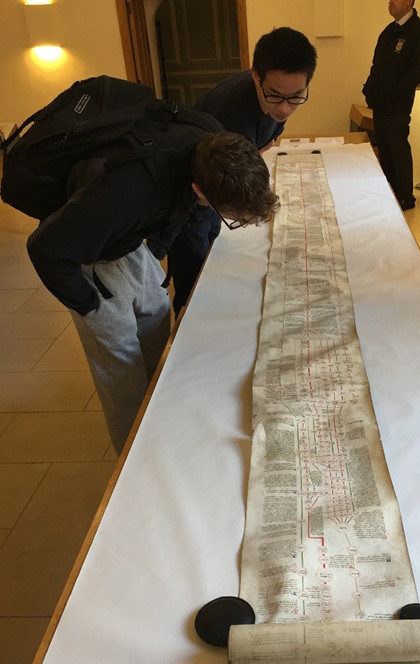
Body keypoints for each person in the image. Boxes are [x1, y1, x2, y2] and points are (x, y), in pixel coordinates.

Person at [27, 123, 279, 455]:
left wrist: (152, 252)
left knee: (158, 330)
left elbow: (177, 211)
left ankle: (159, 426)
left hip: (128, 244)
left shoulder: (211, 143)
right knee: (124, 378)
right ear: (200, 190)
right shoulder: (125, 196)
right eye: (232, 217)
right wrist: (90, 306)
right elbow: (45, 248)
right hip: (89, 261)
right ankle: (132, 460)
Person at [167, 27, 317, 316]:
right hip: (191, 201)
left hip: (214, 193)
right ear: (255, 76)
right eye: (275, 96)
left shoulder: (274, 101)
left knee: (218, 259)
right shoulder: (231, 115)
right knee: (195, 288)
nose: (285, 108)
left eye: (296, 97)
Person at [362, 0, 420, 211]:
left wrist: (397, 93)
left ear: (410, 2)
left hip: (398, 106)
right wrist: (369, 90)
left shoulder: (419, 31)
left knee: (398, 148)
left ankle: (405, 197)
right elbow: (377, 66)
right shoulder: (388, 31)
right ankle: (389, 192)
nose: (390, 2)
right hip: (380, 104)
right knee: (384, 149)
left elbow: (419, 70)